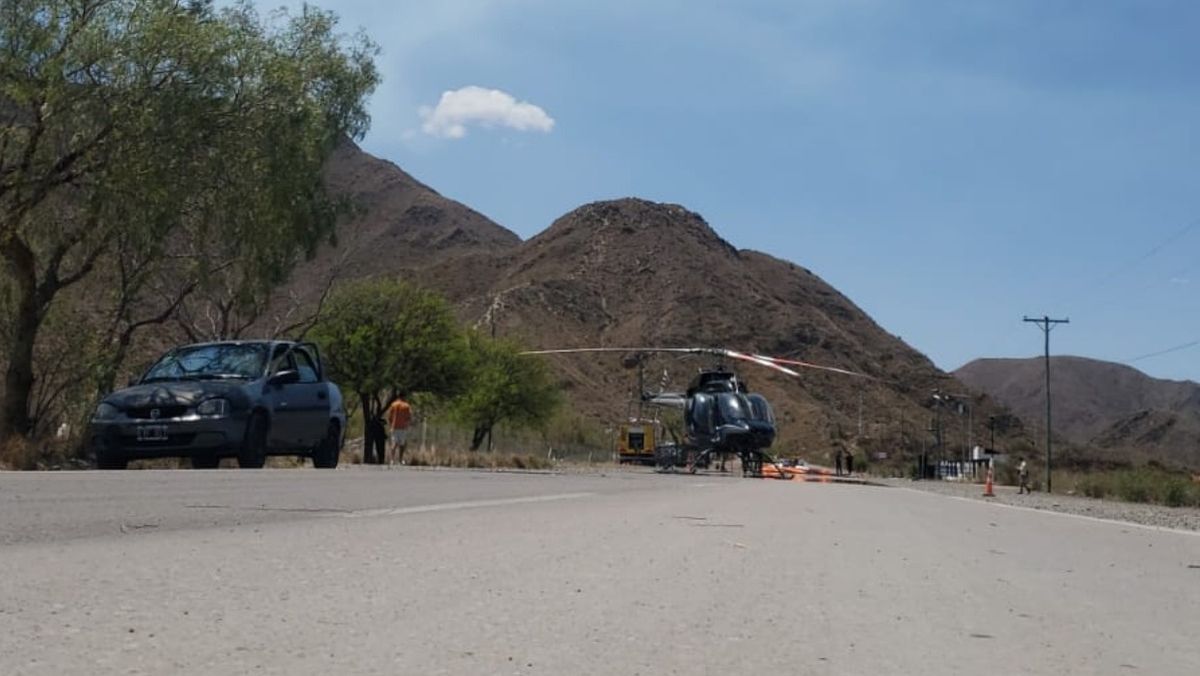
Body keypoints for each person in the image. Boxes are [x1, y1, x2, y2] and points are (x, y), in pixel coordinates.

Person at [385, 394, 412, 466]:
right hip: (402, 427)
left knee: (394, 443)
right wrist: (407, 424)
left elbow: (389, 416)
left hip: (394, 427)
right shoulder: (406, 406)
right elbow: (409, 417)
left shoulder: (393, 405)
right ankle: (400, 460)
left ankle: (392, 460)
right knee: (402, 444)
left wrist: (391, 424)